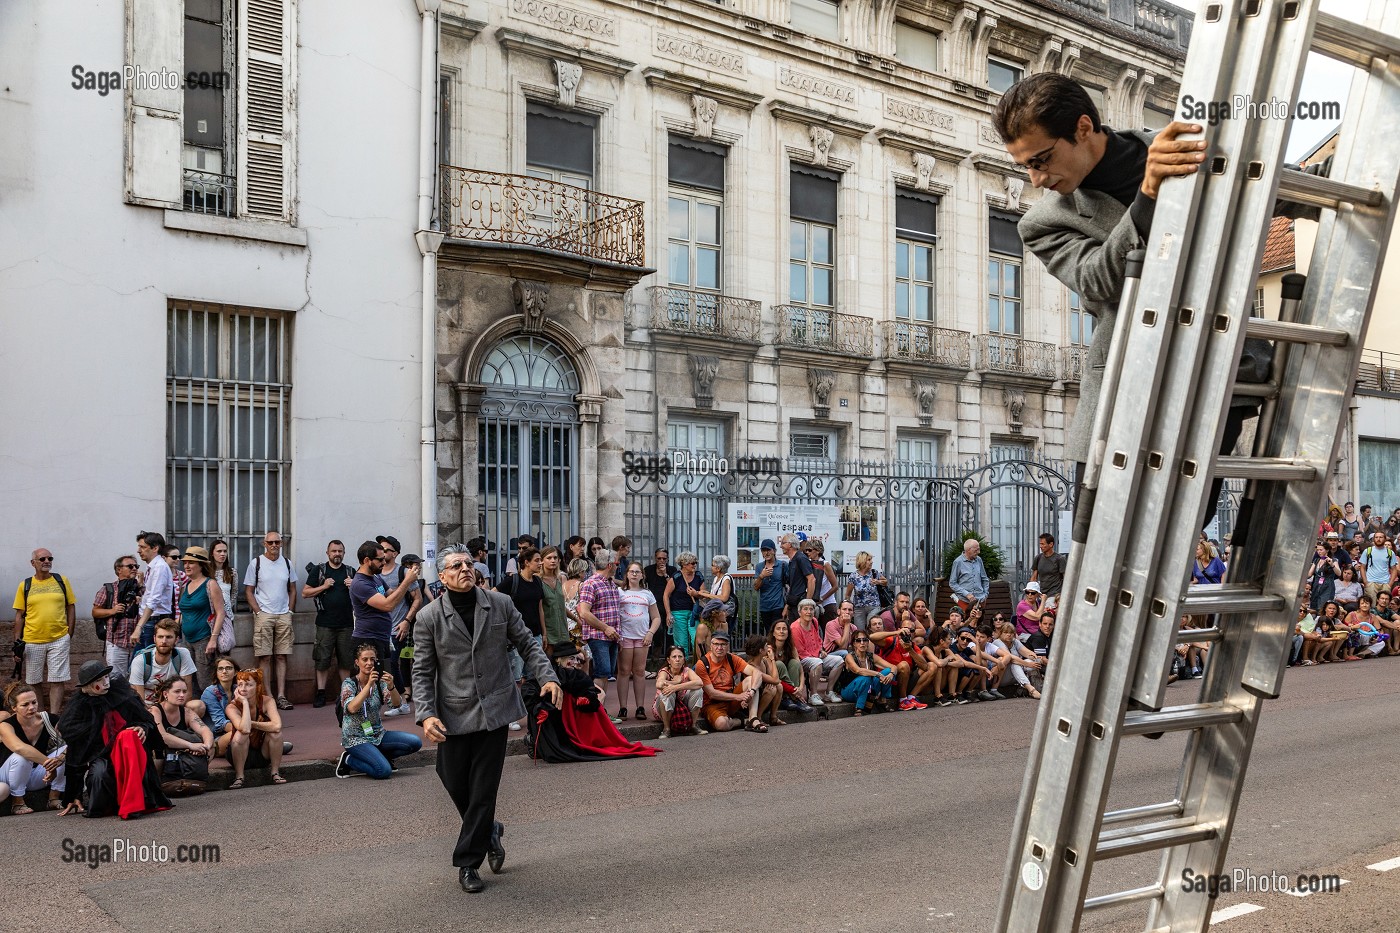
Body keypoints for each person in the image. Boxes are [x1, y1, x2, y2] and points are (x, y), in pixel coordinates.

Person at [413, 543, 563, 894]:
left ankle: (468, 862)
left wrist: (548, 677)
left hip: (495, 709)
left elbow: (527, 643)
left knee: (482, 789)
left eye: (468, 563)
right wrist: (425, 714)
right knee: (451, 778)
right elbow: (421, 672)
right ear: (443, 576)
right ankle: (489, 829)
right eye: (456, 566)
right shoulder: (429, 617)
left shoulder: (499, 604)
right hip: (453, 712)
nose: (465, 569)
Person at [55, 660, 171, 819]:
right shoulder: (78, 709)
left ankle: (135, 802)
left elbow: (146, 720)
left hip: (128, 752)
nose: (106, 682)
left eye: (107, 677)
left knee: (130, 741)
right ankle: (110, 804)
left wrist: (142, 728)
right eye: (98, 680)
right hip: (100, 755)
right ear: (87, 686)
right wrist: (74, 794)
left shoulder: (123, 696)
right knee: (99, 774)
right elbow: (76, 752)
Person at [350, 539, 421, 699]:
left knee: (384, 676)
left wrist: (411, 588)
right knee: (363, 682)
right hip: (366, 638)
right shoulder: (360, 583)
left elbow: (392, 595)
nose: (384, 562)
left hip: (381, 637)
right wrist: (407, 581)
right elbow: (387, 604)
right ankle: (356, 716)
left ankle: (391, 706)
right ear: (367, 560)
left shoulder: (376, 578)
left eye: (384, 558)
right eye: (380, 559)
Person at [338, 643, 422, 779]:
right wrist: (368, 685)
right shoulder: (349, 684)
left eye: (372, 659)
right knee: (383, 771)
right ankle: (349, 760)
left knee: (415, 742)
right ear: (357, 662)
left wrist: (391, 686)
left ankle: (378, 756)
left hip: (377, 734)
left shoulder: (380, 682)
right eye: (365, 659)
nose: (369, 663)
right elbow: (352, 708)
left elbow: (396, 704)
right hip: (355, 738)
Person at [13, 547, 76, 713]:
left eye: (50, 558)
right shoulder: (25, 585)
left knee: (57, 679)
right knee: (34, 681)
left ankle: (53, 717)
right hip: (32, 640)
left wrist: (69, 633)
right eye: (42, 559)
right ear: (33, 563)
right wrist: (17, 642)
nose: (47, 562)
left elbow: (71, 606)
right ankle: (40, 716)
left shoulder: (61, 580)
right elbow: (20, 615)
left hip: (59, 638)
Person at [243, 530, 298, 710]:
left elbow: (293, 589)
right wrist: (258, 612)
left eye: (277, 542)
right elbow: (249, 590)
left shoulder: (287, 564)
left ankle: (281, 695)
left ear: (281, 544)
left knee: (282, 656)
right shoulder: (256, 563)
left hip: (284, 614)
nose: (274, 545)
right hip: (264, 614)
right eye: (271, 542)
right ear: (264, 544)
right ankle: (268, 696)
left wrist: (290, 610)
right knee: (264, 656)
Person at [303, 540, 357, 709]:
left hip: (346, 623)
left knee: (346, 660)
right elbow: (305, 592)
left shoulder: (351, 572)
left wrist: (353, 586)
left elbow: (363, 596)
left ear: (344, 553)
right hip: (325, 623)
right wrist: (324, 586)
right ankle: (320, 692)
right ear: (327, 553)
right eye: (334, 551)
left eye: (340, 551)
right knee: (322, 659)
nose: (337, 554)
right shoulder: (319, 571)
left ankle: (346, 693)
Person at [0, 682, 66, 813]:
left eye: (34, 702)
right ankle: (18, 802)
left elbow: (73, 742)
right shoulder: (6, 725)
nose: (32, 707)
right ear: (14, 708)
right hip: (7, 776)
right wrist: (49, 765)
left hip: (38, 776)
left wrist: (59, 759)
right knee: (22, 756)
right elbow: (19, 747)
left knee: (65, 751)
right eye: (25, 705)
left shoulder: (49, 720)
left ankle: (54, 798)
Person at [149, 679, 214, 794]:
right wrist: (191, 745)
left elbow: (205, 730)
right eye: (177, 691)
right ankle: (157, 785)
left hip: (182, 753)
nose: (182, 695)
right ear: (165, 694)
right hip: (163, 752)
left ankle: (194, 779)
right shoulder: (155, 710)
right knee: (157, 751)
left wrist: (206, 746)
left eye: (184, 691)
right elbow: (162, 736)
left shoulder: (186, 712)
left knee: (212, 747)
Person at [578, 549, 622, 718]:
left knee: (606, 673)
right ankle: (596, 712)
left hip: (612, 636)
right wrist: (605, 628)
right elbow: (584, 612)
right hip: (598, 636)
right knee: (601, 673)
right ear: (610, 565)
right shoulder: (591, 583)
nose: (618, 567)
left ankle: (600, 711)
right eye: (617, 564)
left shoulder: (610, 582)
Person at [696, 630, 768, 733]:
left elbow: (756, 673)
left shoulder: (731, 658)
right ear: (711, 646)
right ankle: (743, 721)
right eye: (716, 644)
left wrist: (751, 692)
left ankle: (753, 718)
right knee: (722, 724)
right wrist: (739, 697)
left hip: (731, 701)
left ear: (728, 646)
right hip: (712, 704)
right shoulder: (702, 664)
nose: (719, 648)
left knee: (750, 680)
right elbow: (711, 693)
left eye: (723, 644)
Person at [225, 668, 286, 788]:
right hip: (239, 755)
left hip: (261, 753)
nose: (243, 689)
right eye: (240, 684)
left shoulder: (267, 701)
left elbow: (277, 725)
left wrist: (252, 723)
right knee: (241, 734)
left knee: (275, 734)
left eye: (248, 685)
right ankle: (239, 777)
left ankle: (275, 773)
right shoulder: (232, 707)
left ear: (258, 686)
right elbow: (245, 729)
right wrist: (245, 703)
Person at [616, 562, 661, 722]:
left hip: (643, 637)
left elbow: (656, 617)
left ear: (642, 575)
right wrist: (618, 635)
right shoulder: (619, 592)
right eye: (631, 571)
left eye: (637, 572)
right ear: (627, 574)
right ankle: (622, 707)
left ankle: (640, 707)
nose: (634, 574)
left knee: (640, 671)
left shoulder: (647, 594)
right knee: (624, 671)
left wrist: (650, 633)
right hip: (625, 636)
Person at [497, 545, 547, 685]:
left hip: (535, 634)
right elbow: (493, 596)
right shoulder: (513, 581)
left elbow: (540, 607)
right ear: (526, 562)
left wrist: (544, 633)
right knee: (516, 677)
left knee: (533, 676)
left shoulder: (537, 581)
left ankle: (529, 705)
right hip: (516, 636)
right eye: (537, 560)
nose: (540, 563)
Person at [178, 546, 225, 689]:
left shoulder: (210, 584)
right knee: (189, 681)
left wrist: (213, 639)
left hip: (204, 640)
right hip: (187, 641)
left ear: (201, 565)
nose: (186, 566)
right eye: (185, 562)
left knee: (205, 681)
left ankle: (212, 710)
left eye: (191, 562)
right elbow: (183, 612)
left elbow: (220, 612)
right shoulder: (186, 585)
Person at [128, 618, 198, 704]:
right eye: (160, 637)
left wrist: (175, 712)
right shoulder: (140, 660)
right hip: (148, 707)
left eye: (169, 637)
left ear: (176, 640)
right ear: (154, 639)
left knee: (198, 706)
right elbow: (140, 701)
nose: (164, 641)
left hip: (173, 705)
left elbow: (187, 693)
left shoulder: (183, 654)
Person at [93, 555, 143, 674]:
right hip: (117, 643)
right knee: (117, 679)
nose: (134, 569)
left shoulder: (142, 589)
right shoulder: (109, 589)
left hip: (139, 643)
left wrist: (140, 587)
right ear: (119, 569)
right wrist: (112, 611)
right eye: (130, 566)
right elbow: (95, 611)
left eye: (136, 566)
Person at [791, 598, 840, 707]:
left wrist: (821, 650)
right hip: (802, 659)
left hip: (816, 656)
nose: (809, 612)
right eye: (805, 609)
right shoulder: (795, 627)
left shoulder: (814, 621)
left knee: (839, 661)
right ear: (799, 612)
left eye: (811, 609)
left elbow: (818, 639)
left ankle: (829, 692)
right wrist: (818, 657)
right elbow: (800, 651)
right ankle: (813, 694)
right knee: (817, 662)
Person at [652, 645, 706, 738]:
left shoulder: (687, 670)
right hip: (662, 709)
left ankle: (693, 725)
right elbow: (659, 684)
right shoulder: (664, 671)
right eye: (674, 657)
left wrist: (676, 687)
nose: (677, 659)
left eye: (680, 657)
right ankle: (666, 729)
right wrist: (675, 682)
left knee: (698, 691)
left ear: (684, 659)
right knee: (667, 692)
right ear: (669, 660)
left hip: (682, 707)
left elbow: (699, 682)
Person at [838, 632, 896, 715]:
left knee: (887, 671)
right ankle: (859, 708)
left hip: (869, 689)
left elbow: (894, 667)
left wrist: (891, 674)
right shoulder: (849, 656)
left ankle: (882, 700)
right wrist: (878, 674)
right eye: (858, 640)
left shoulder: (871, 656)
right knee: (865, 678)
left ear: (868, 642)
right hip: (850, 691)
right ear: (854, 643)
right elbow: (858, 670)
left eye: (865, 640)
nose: (862, 643)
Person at [662, 551, 703, 660]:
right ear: (684, 564)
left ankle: (698, 665)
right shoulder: (677, 576)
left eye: (696, 563)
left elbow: (704, 593)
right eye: (692, 563)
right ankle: (682, 666)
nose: (695, 565)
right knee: (681, 642)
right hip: (678, 613)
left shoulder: (698, 575)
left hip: (694, 612)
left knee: (697, 639)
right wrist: (668, 613)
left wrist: (696, 593)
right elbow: (666, 595)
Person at [744, 634, 789, 727]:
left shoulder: (764, 661)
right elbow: (775, 679)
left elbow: (775, 679)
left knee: (779, 687)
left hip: (763, 695)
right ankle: (757, 718)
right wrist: (772, 659)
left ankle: (773, 717)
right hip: (752, 699)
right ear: (761, 651)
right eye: (765, 646)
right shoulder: (751, 667)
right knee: (772, 688)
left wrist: (770, 661)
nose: (768, 647)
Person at [200, 657, 239, 759]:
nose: (224, 671)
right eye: (220, 669)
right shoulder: (210, 692)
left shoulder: (238, 689)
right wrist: (245, 728)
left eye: (229, 668)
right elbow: (220, 723)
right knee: (241, 733)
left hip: (237, 730)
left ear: (235, 672)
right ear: (216, 673)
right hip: (216, 737)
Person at [538, 546, 571, 652]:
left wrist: (576, 619)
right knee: (548, 664)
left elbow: (560, 604)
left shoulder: (561, 578)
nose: (553, 560)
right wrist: (544, 634)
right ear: (542, 560)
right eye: (549, 558)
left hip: (562, 629)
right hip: (548, 629)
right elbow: (540, 609)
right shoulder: (538, 580)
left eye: (555, 558)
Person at [844, 551, 886, 632]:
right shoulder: (854, 576)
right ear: (862, 561)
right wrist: (848, 608)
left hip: (873, 606)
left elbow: (885, 582)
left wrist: (878, 582)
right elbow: (848, 594)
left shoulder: (874, 573)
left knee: (872, 628)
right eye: (869, 560)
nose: (871, 562)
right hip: (859, 607)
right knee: (859, 631)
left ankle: (873, 643)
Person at [778, 534, 817, 621]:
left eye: (783, 543)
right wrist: (787, 606)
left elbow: (811, 579)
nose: (781, 546)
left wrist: (807, 603)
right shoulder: (792, 560)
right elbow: (793, 586)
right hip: (793, 604)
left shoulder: (801, 558)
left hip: (801, 604)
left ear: (790, 544)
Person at [753, 539, 788, 629]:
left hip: (778, 606)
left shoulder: (783, 565)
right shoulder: (759, 566)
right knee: (769, 633)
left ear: (774, 551)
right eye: (764, 550)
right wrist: (761, 576)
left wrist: (786, 607)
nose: (766, 553)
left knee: (778, 631)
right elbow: (756, 587)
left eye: (769, 550)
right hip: (764, 607)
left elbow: (790, 587)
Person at [949, 539, 990, 612]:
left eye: (979, 549)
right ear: (968, 550)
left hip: (980, 600)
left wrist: (985, 594)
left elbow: (985, 579)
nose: (978, 552)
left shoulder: (979, 560)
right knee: (967, 622)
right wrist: (967, 594)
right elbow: (952, 583)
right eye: (976, 550)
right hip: (965, 601)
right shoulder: (958, 562)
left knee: (979, 622)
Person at [1359, 531, 1399, 606]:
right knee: (1371, 606)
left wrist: (1390, 584)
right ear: (1374, 539)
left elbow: (1394, 569)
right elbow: (1362, 567)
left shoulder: (1390, 553)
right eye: (1376, 537)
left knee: (1384, 606)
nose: (1378, 539)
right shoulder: (1368, 551)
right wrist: (1365, 582)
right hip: (1371, 582)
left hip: (1385, 583)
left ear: (1384, 539)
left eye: (1381, 537)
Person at [1029, 534, 1066, 610]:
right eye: (1040, 544)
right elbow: (1034, 578)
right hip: (1041, 594)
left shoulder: (1059, 559)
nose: (1040, 546)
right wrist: (1031, 592)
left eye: (1043, 544)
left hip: (1054, 594)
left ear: (1051, 544)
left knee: (1047, 616)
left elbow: (1066, 578)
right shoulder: (1038, 558)